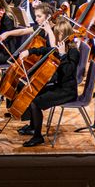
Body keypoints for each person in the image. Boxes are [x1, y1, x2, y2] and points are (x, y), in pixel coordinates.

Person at [17, 15, 79, 147]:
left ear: (63, 35)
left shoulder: (73, 51)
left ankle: (38, 136)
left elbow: (68, 72)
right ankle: (33, 126)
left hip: (67, 91)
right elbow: (45, 50)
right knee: (33, 93)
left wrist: (62, 55)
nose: (54, 38)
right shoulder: (59, 47)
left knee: (36, 102)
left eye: (57, 35)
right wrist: (29, 51)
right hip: (59, 86)